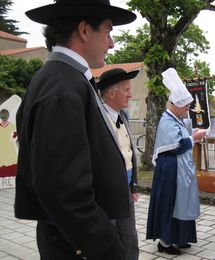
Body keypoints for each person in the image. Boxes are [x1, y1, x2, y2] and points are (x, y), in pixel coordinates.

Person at [14, 1, 137, 259]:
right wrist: (108, 247)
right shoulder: (63, 87)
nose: (111, 43)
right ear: (84, 30)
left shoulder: (62, 78)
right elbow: (64, 192)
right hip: (76, 245)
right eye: (107, 31)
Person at [146, 68, 207, 255]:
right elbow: (178, 145)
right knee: (171, 203)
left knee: (181, 203)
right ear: (177, 104)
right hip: (171, 170)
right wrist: (194, 137)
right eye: (186, 107)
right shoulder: (167, 120)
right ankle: (165, 242)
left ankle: (180, 237)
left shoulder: (175, 118)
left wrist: (193, 137)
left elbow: (181, 140)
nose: (187, 110)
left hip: (178, 168)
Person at [97, 68, 140, 260]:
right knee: (110, 239)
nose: (131, 94)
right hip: (105, 194)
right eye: (126, 89)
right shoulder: (96, 119)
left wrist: (133, 184)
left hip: (125, 190)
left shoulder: (123, 116)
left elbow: (129, 154)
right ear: (111, 93)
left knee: (130, 238)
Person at [0, 109, 18, 177]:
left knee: (9, 160)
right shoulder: (12, 125)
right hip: (5, 147)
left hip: (7, 147)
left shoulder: (12, 126)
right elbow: (15, 136)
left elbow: (15, 136)